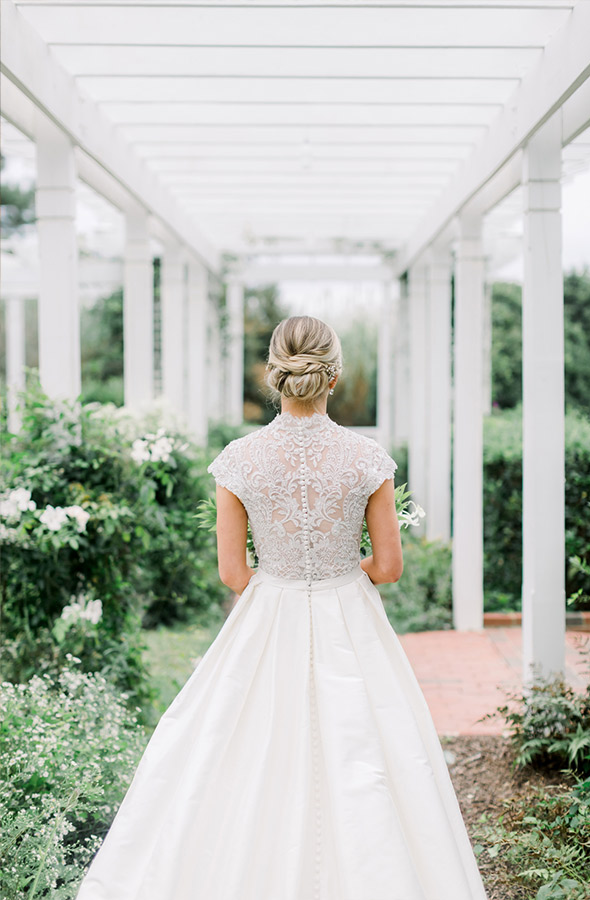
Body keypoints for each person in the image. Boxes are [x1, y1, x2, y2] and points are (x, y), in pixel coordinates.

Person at [76, 315, 488, 899]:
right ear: (334, 375)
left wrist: (286, 584)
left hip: (269, 613)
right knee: (368, 752)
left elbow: (233, 574)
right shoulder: (366, 458)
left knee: (239, 749)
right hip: (351, 615)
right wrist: (346, 578)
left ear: (272, 374)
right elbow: (390, 567)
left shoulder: (240, 460)